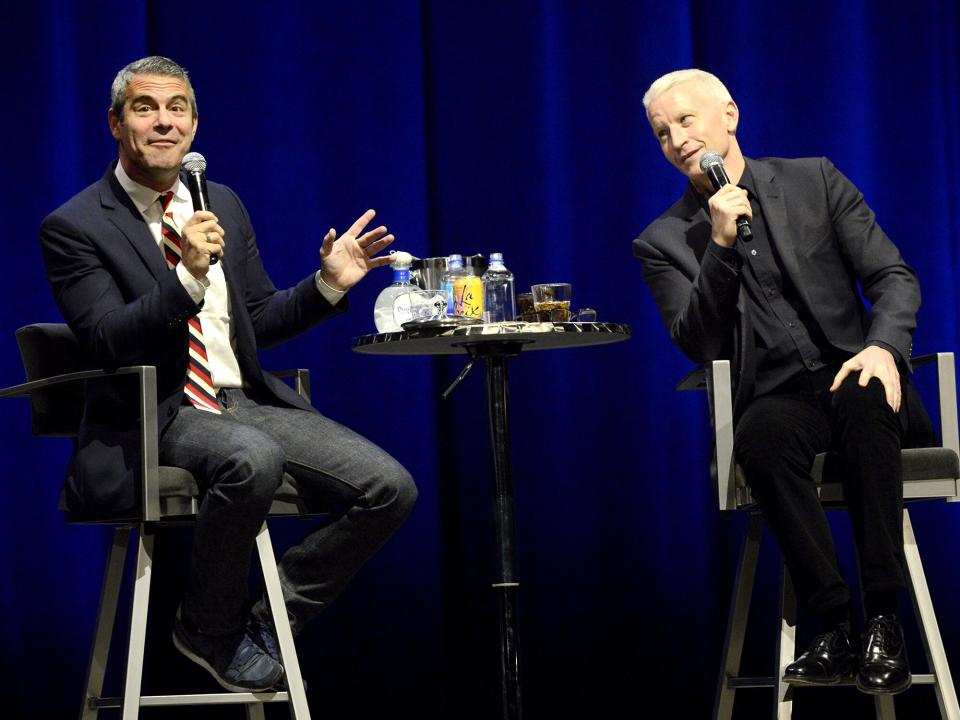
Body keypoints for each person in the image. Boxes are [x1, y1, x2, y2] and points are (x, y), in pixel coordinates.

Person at [39, 56, 418, 693]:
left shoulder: (221, 204)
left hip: (241, 399)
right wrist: (185, 276)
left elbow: (259, 321)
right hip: (157, 412)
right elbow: (106, 339)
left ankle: (269, 622)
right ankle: (207, 628)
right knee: (253, 456)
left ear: (194, 122)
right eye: (145, 108)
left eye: (177, 108)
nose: (164, 122)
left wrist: (327, 284)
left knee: (390, 488)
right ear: (115, 123)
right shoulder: (75, 226)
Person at [633, 69, 934, 696]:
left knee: (865, 393)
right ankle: (836, 622)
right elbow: (697, 341)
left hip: (858, 375)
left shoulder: (813, 179)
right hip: (778, 401)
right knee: (762, 436)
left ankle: (883, 618)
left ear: (729, 115)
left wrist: (883, 348)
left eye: (686, 120)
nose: (677, 139)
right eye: (662, 133)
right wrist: (717, 246)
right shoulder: (662, 241)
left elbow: (894, 277)